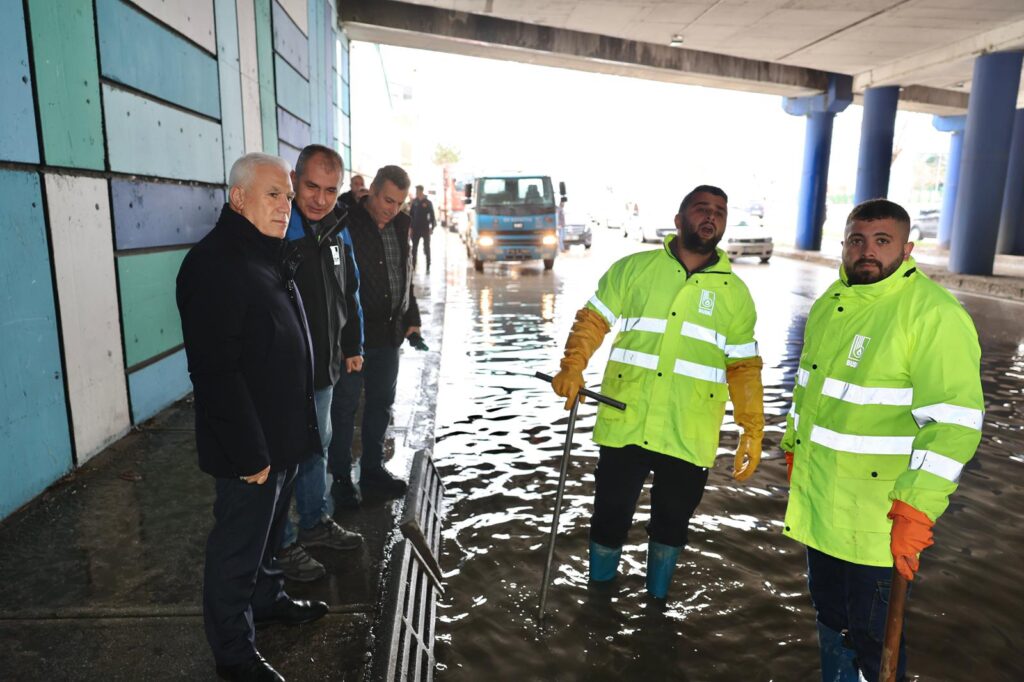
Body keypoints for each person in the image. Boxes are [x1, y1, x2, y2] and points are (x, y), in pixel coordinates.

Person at [781, 199, 983, 682]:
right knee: (831, 618)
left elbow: (954, 424)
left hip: (881, 519)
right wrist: (794, 448)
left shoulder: (932, 314)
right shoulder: (831, 304)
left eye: (882, 241)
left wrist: (916, 508)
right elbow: (809, 393)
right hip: (822, 505)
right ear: (844, 245)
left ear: (907, 249)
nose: (867, 251)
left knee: (875, 640)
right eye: (857, 240)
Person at [551, 185, 764, 603]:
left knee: (672, 524)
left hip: (689, 429)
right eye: (701, 208)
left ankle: (656, 604)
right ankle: (599, 599)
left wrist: (752, 427)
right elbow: (594, 320)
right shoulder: (634, 269)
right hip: (627, 417)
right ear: (679, 219)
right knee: (610, 515)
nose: (711, 216)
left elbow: (743, 367)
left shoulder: (735, 294)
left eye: (719, 211)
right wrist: (573, 365)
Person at [176, 153, 328, 682]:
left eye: (288, 196)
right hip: (251, 450)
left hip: (280, 438)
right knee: (236, 552)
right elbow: (214, 372)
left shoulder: (263, 253)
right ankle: (234, 655)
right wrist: (248, 453)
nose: (286, 206)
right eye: (273, 195)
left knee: (267, 539)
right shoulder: (214, 264)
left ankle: (267, 599)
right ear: (238, 198)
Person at [274, 144, 365, 583]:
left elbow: (350, 292)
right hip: (283, 372)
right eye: (312, 187)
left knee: (317, 447)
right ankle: (280, 543)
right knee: (280, 459)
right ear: (294, 180)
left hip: (324, 367)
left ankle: (313, 522)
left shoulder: (338, 230)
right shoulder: (276, 228)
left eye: (331, 190)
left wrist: (352, 344)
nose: (320, 199)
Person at [329, 165, 420, 509]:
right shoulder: (346, 222)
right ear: (372, 192)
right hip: (352, 337)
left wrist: (411, 318)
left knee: (381, 405)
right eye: (387, 200)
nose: (392, 209)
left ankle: (371, 470)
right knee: (344, 408)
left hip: (389, 335)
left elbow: (404, 273)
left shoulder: (401, 224)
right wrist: (342, 336)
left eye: (398, 203)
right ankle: (340, 480)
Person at [409, 184, 436, 270]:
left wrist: (432, 227)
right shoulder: (414, 202)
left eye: (418, 191)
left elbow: (432, 216)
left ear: (421, 191)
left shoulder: (427, 202)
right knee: (414, 248)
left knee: (427, 248)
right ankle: (413, 265)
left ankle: (428, 265)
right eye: (416, 191)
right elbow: (411, 215)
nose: (417, 192)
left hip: (425, 229)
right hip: (416, 229)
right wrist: (410, 228)